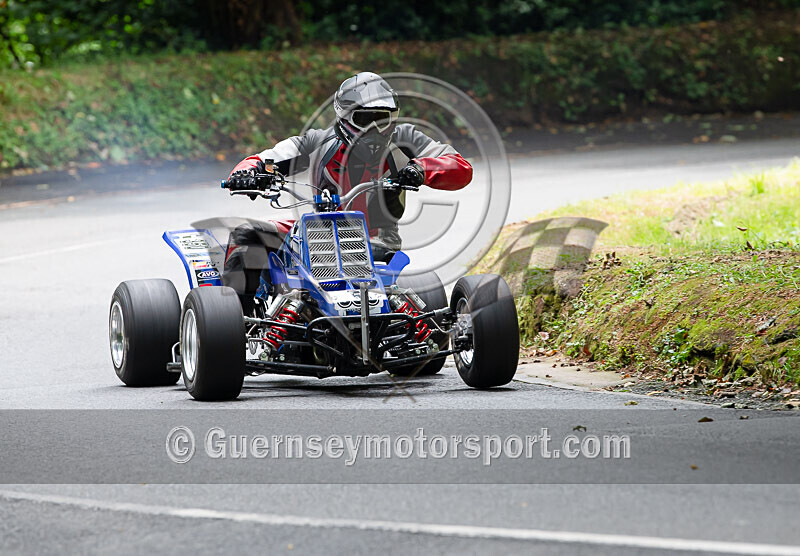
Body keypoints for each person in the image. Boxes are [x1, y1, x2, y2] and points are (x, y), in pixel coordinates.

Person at [223, 71, 472, 313]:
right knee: (248, 234)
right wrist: (249, 172)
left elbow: (460, 166)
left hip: (377, 243)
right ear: (345, 118)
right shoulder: (318, 142)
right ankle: (239, 322)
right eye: (366, 119)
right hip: (316, 237)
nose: (375, 129)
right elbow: (267, 158)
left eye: (382, 119)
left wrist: (421, 168)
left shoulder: (406, 139)